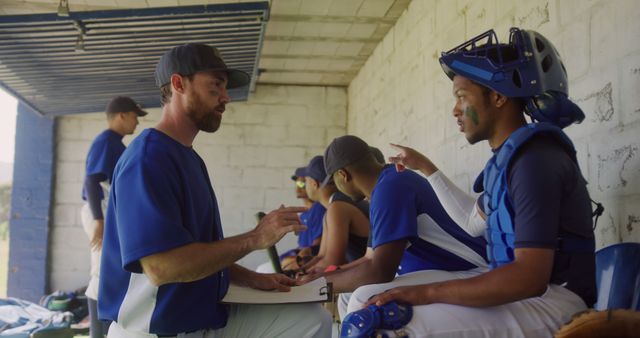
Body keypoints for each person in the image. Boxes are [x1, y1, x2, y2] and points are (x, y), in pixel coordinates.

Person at [358, 27, 596, 337]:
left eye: (461, 96)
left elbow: (529, 278)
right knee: (366, 299)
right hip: (522, 293)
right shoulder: (507, 162)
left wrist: (427, 293)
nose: (455, 110)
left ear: (497, 96)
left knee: (386, 325)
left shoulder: (535, 162)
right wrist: (427, 168)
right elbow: (471, 223)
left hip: (556, 301)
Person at [98, 43, 331, 338]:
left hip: (199, 317)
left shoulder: (188, 157)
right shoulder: (147, 159)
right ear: (178, 83)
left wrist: (250, 278)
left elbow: (197, 251)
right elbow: (161, 266)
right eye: (216, 86)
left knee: (309, 320)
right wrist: (256, 237)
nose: (225, 98)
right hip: (155, 328)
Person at [299, 136, 488, 300]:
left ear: (343, 175)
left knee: (362, 297)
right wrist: (327, 276)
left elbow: (379, 271)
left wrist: (320, 282)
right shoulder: (385, 184)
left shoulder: (390, 187)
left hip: (471, 269)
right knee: (349, 296)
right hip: (449, 268)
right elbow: (370, 258)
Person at [80, 96, 147, 338]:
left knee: (110, 267)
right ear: (121, 115)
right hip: (100, 211)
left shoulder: (115, 143)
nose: (137, 123)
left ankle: (106, 328)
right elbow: (91, 178)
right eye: (134, 116)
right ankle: (97, 332)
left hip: (107, 211)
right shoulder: (107, 141)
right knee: (101, 269)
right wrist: (99, 220)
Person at [298, 155, 371, 273]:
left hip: (368, 279)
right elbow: (321, 256)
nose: (304, 186)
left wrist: (302, 277)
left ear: (314, 183)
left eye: (305, 181)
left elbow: (332, 262)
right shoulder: (333, 205)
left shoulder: (337, 208)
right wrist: (299, 271)